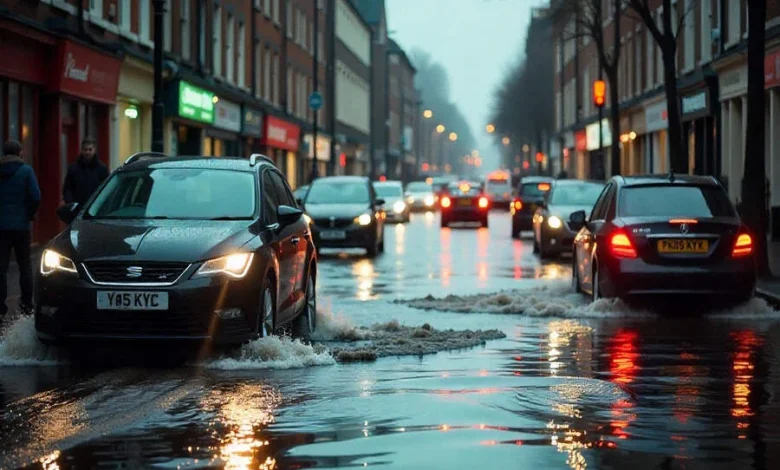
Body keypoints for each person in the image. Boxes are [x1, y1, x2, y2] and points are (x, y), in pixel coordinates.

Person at [0, 140, 41, 318]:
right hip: (21, 226)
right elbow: (36, 196)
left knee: (1, 268)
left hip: (1, 227)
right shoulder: (26, 171)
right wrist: (29, 213)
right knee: (25, 266)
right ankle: (26, 305)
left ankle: (0, 307)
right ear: (20, 153)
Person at [63, 137, 109, 206]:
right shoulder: (73, 169)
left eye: (90, 149)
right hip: (77, 208)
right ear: (81, 150)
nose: (87, 152)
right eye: (85, 150)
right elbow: (67, 188)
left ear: (94, 150)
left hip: (96, 208)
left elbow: (106, 189)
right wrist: (71, 203)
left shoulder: (102, 169)